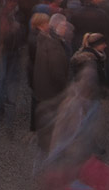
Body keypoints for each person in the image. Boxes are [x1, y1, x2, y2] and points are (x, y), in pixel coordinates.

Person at [31, 13, 70, 146]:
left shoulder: (43, 39)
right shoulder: (52, 45)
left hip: (43, 87)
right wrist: (64, 87)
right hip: (51, 90)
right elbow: (56, 72)